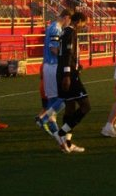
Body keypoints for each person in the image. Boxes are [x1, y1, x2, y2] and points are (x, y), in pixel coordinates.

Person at [55, 12, 89, 153]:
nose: (84, 26)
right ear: (79, 21)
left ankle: (67, 143)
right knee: (85, 106)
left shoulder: (65, 32)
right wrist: (68, 73)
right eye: (84, 23)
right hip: (68, 76)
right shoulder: (70, 32)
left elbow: (63, 54)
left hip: (63, 72)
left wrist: (76, 65)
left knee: (70, 108)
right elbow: (67, 54)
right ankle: (61, 133)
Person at [35, 9, 72, 140]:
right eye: (70, 20)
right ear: (66, 17)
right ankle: (44, 119)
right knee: (64, 98)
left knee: (52, 99)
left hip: (48, 66)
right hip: (53, 66)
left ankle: (56, 132)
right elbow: (54, 49)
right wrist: (67, 59)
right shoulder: (56, 28)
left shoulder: (51, 26)